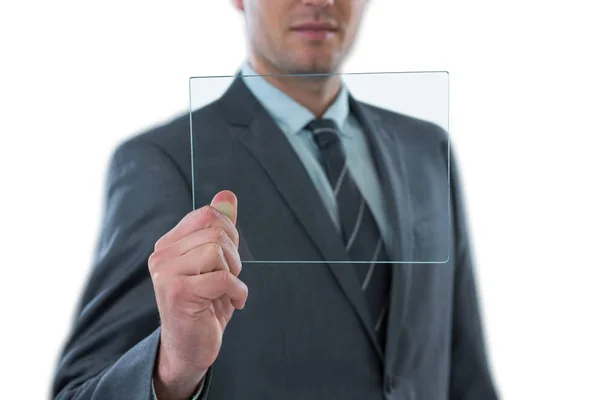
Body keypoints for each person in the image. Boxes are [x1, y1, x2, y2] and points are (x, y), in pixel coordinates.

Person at [52, 0, 499, 399]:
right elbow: (79, 390)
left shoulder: (427, 150)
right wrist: (173, 368)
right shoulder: (164, 162)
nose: (320, 1)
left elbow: (466, 373)